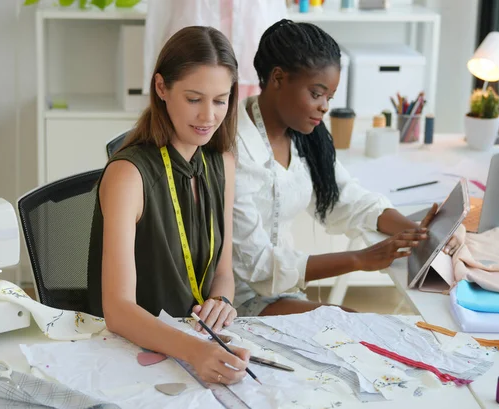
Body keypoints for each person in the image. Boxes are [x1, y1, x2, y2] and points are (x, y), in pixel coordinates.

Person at [232, 19, 462, 317]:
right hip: (233, 301)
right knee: (357, 327)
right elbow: (258, 268)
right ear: (277, 78)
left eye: (329, 97)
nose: (324, 107)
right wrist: (359, 259)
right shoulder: (235, 149)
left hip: (279, 290)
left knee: (365, 327)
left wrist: (418, 233)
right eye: (316, 94)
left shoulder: (304, 136)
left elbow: (345, 198)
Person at [87, 26, 249, 385]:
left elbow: (222, 272)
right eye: (194, 99)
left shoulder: (221, 161)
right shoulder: (128, 175)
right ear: (162, 88)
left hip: (196, 339)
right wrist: (194, 351)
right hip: (130, 351)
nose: (208, 116)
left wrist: (220, 301)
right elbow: (118, 311)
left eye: (220, 100)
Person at [142, 0, 287, 100]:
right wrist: (152, 72)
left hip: (251, 51)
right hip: (192, 51)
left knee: (246, 131)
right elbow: (159, 13)